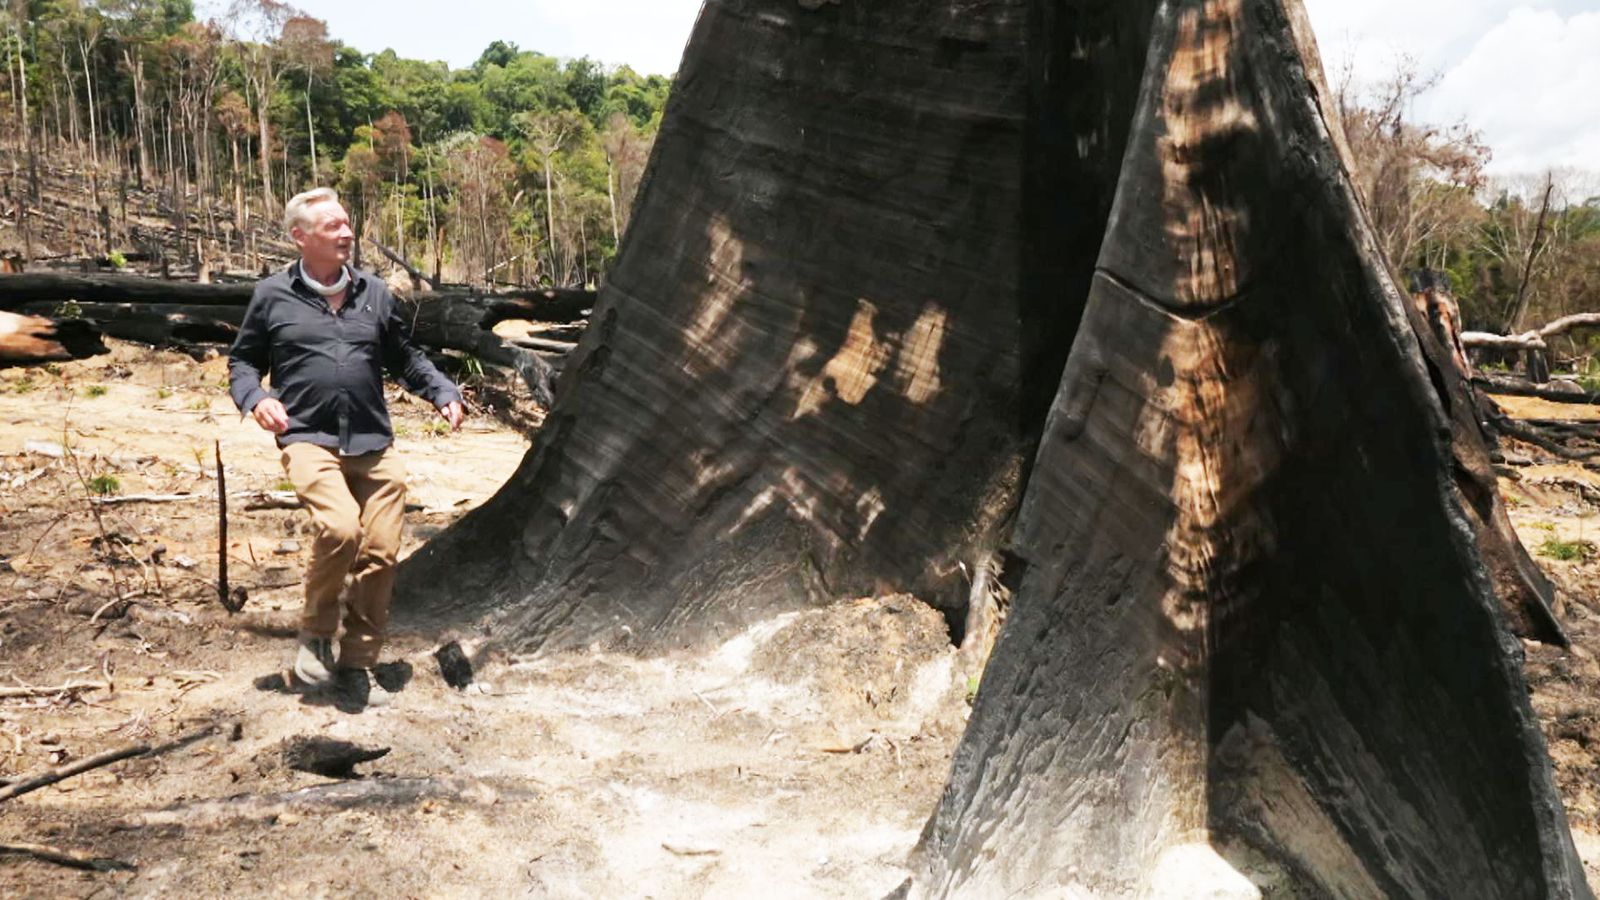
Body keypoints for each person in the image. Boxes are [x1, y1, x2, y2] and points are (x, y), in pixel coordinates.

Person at [228, 187, 464, 702]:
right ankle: (316, 636)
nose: (346, 233)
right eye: (333, 226)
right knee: (338, 528)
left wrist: (442, 391)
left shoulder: (374, 293)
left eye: (347, 224)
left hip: (372, 440)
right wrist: (255, 399)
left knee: (380, 551)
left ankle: (358, 663)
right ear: (300, 237)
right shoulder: (273, 295)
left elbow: (404, 357)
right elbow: (242, 362)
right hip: (308, 436)